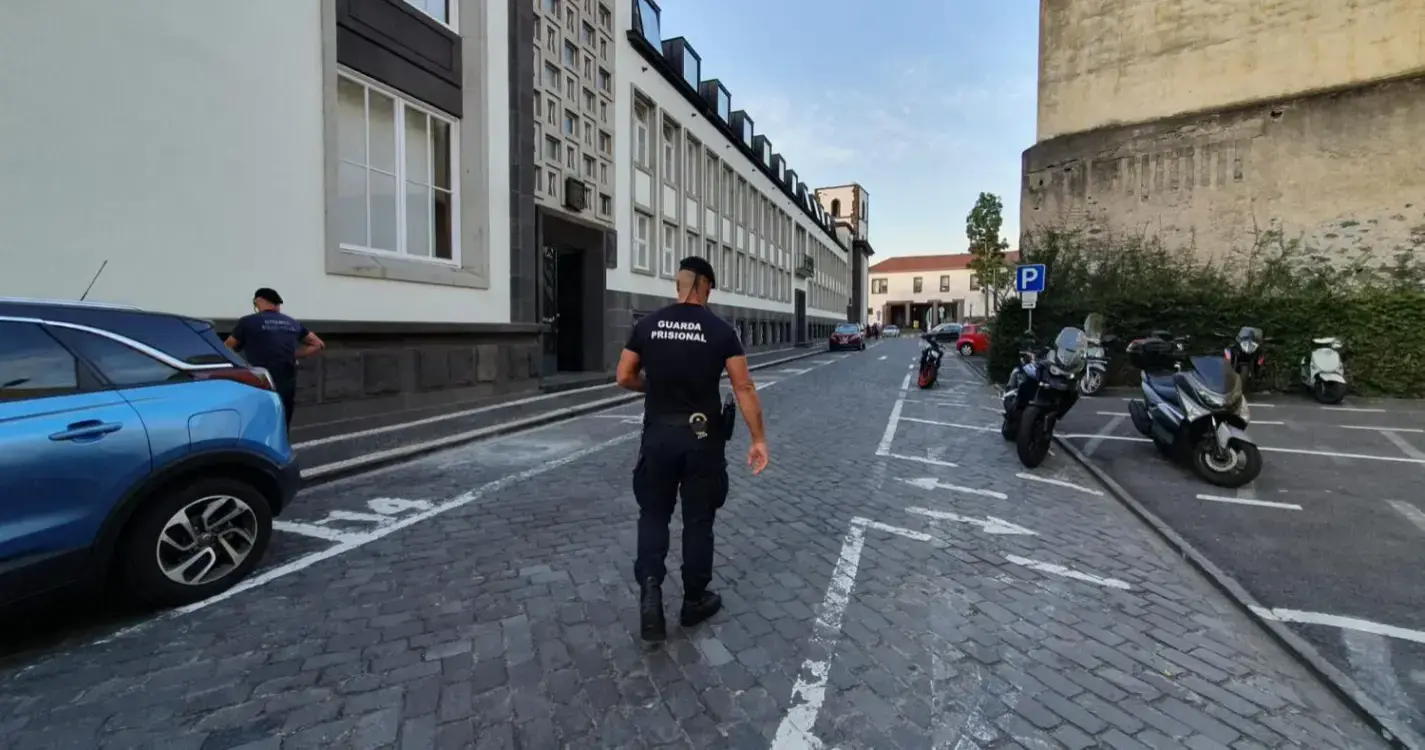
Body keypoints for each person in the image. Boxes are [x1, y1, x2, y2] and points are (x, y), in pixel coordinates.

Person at [616, 256, 770, 642]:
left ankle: (651, 592)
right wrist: (758, 439)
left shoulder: (648, 325)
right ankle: (694, 600)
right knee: (698, 520)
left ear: (679, 284)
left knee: (653, 515)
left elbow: (624, 375)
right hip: (702, 439)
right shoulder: (721, 330)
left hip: (658, 437)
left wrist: (654, 387)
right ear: (705, 286)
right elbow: (743, 387)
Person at [225, 288, 324, 429]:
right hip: (286, 379)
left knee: (257, 420)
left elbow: (226, 348)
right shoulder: (292, 322)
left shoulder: (247, 322)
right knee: (282, 419)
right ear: (277, 305)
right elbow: (318, 344)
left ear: (258, 301)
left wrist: (238, 364)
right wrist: (291, 354)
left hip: (258, 380)